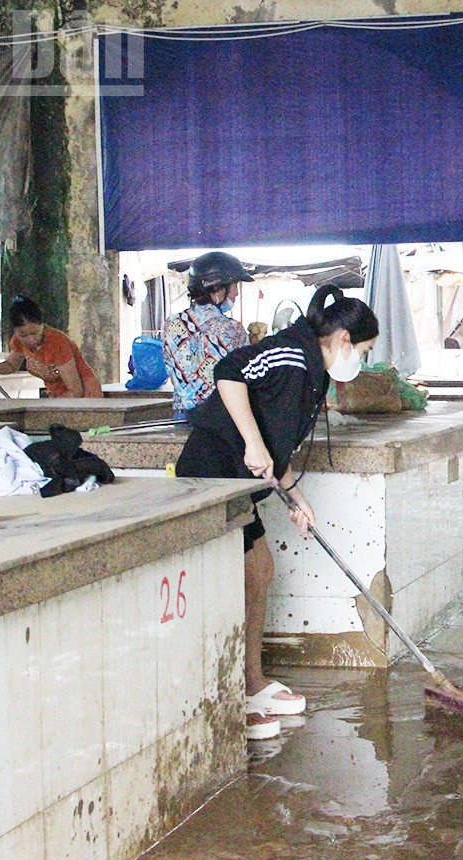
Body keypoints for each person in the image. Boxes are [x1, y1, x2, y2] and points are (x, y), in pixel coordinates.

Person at [175, 284, 379, 740]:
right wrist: (250, 443)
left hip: (239, 480)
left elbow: (276, 439)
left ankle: (252, 681)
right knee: (246, 574)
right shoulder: (290, 353)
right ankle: (230, 695)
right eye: (364, 351)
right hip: (212, 470)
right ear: (344, 339)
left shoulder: (314, 374)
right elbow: (229, 371)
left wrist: (295, 495)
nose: (362, 361)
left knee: (260, 571)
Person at [164, 251, 251, 418]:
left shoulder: (171, 323)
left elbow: (172, 370)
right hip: (221, 419)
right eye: (235, 286)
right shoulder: (232, 329)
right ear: (218, 289)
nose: (236, 293)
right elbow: (245, 376)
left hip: (183, 417)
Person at [0, 296, 102, 398]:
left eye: (35, 333)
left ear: (42, 325)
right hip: (57, 396)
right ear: (15, 331)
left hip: (85, 395)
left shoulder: (58, 343)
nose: (30, 340)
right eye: (23, 335)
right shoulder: (17, 341)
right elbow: (11, 365)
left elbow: (75, 391)